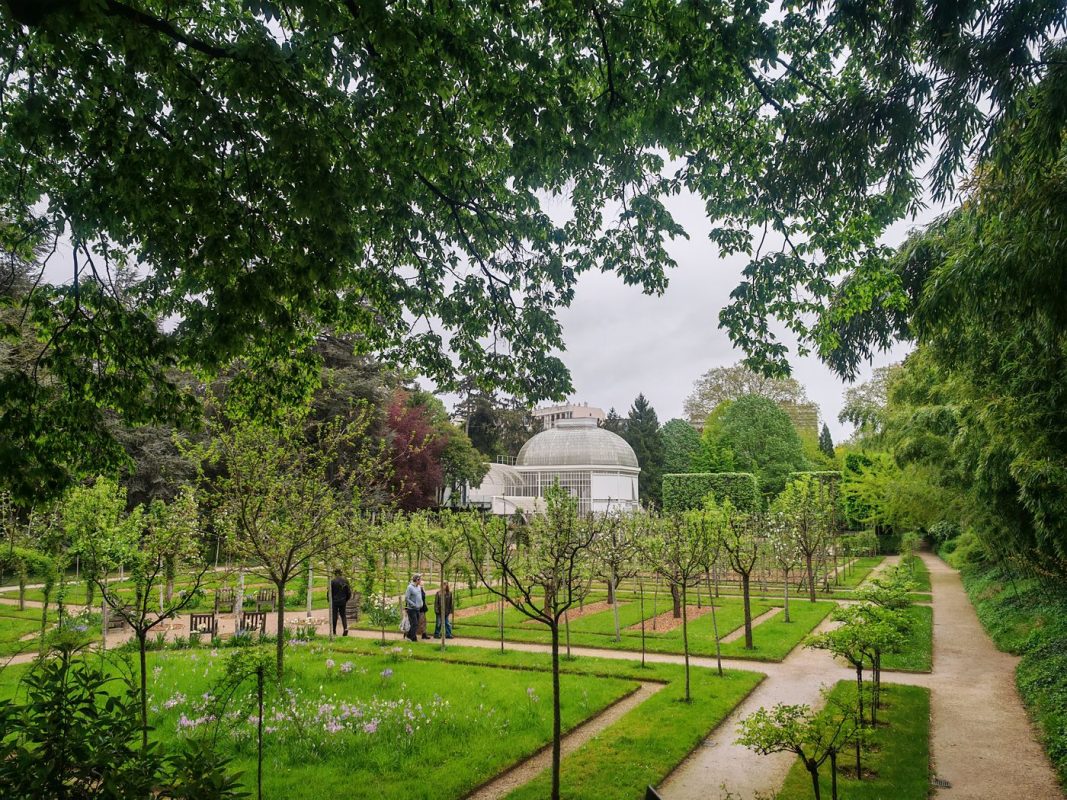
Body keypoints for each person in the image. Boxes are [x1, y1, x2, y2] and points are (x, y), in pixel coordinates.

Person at [330, 569, 352, 636]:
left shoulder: (332, 581)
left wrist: (329, 600)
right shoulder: (345, 581)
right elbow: (348, 592)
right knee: (343, 615)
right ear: (341, 573)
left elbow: (330, 592)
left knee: (334, 615)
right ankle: (345, 628)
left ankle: (334, 631)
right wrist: (346, 599)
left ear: (335, 573)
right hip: (343, 601)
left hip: (335, 601)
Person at [404, 574, 422, 642]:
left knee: (416, 624)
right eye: (420, 579)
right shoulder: (410, 587)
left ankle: (413, 637)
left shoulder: (419, 587)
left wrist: (421, 603)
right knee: (414, 623)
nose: (421, 580)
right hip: (411, 609)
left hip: (418, 608)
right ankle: (409, 636)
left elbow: (419, 596)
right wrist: (413, 604)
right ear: (417, 580)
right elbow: (406, 598)